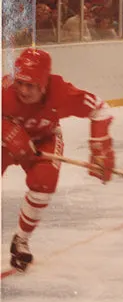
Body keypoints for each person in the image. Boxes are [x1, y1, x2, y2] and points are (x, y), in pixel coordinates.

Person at [2, 48, 115, 271]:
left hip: (45, 138)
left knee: (44, 183)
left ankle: (21, 240)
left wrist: (100, 148)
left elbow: (100, 109)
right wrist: (7, 131)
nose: (23, 90)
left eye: (31, 85)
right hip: (5, 142)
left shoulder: (61, 93)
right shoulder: (4, 91)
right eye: (20, 83)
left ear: (44, 84)